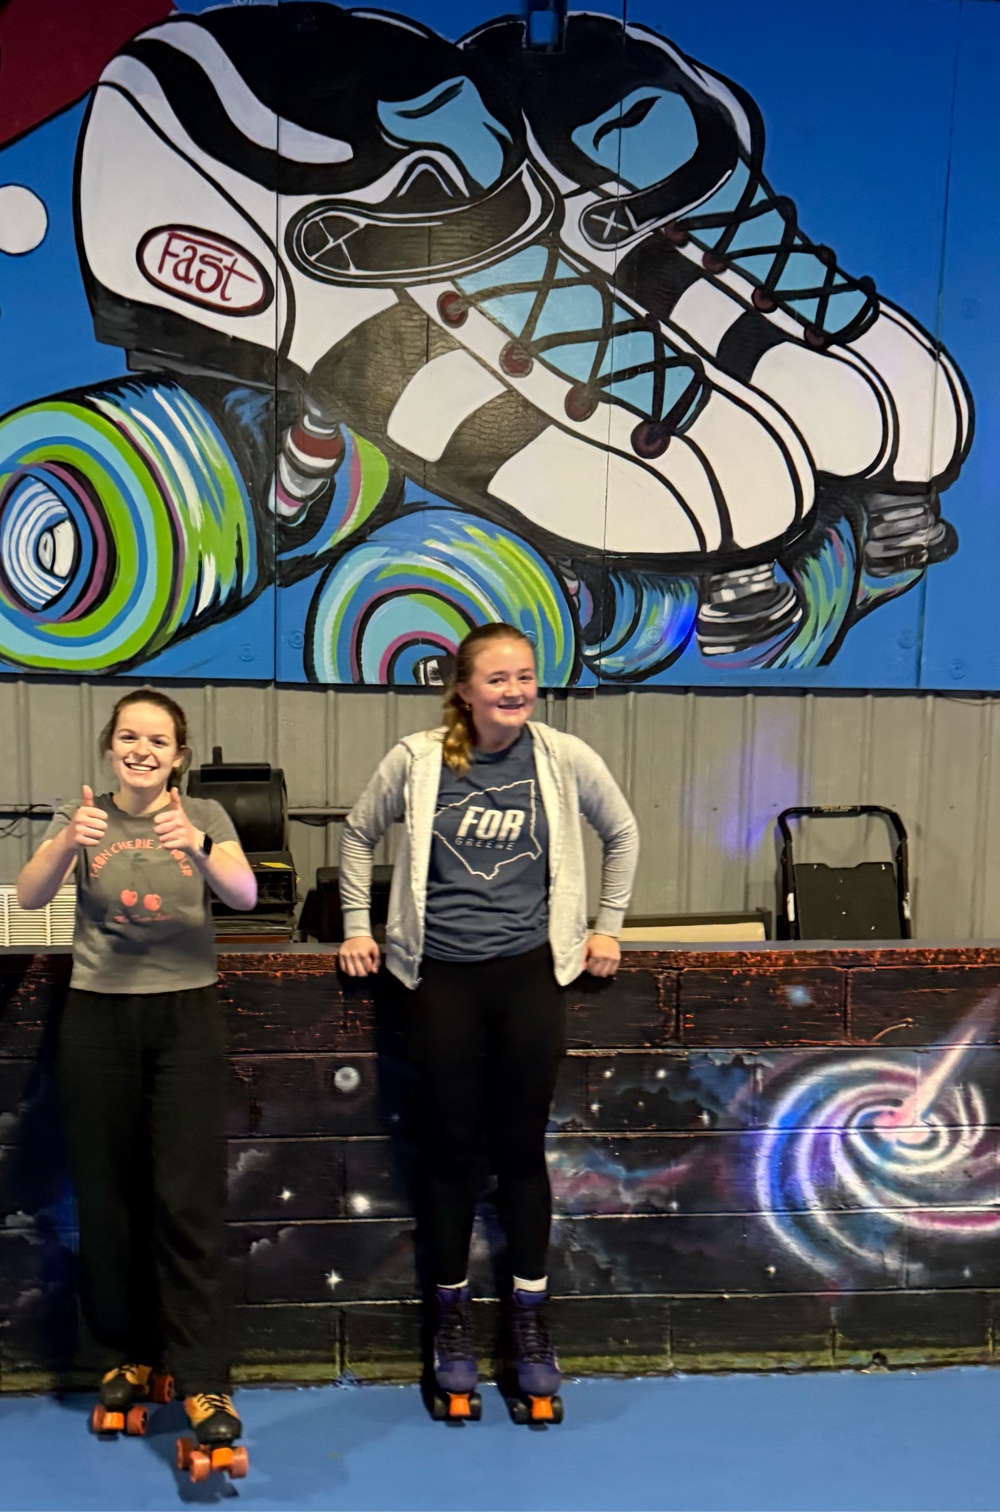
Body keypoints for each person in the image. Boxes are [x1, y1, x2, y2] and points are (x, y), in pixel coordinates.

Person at [338, 622, 639, 1419]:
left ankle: (530, 1325)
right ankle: (450, 1324)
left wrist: (608, 926)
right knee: (449, 1154)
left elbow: (622, 831)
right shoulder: (416, 761)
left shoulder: (563, 758)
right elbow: (358, 834)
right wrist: (357, 927)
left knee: (520, 1152)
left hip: (527, 978)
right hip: (439, 978)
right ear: (464, 690)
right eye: (498, 678)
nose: (515, 690)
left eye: (525, 676)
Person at [16, 688, 257, 1455]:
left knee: (187, 1201)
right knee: (107, 1199)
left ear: (178, 755)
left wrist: (199, 845)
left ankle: (203, 1374)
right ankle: (122, 1355)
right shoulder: (82, 815)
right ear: (110, 745)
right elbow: (29, 897)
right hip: (98, 1020)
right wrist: (65, 842)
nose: (142, 750)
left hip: (185, 1021)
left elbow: (245, 895)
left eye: (157, 740)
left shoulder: (204, 816)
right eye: (129, 737)